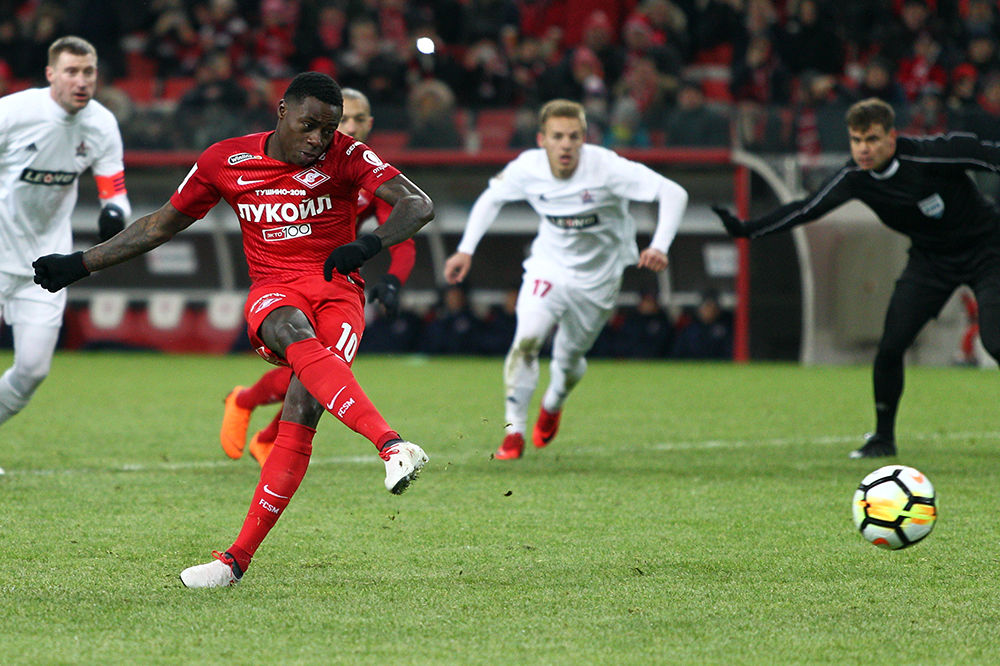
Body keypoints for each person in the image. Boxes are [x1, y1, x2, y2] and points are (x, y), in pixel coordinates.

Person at [33, 72, 434, 587]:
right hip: (276, 289)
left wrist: (367, 245)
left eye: (329, 129)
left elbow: (418, 204)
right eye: (310, 125)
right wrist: (81, 264)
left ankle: (233, 562)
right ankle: (392, 445)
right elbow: (160, 224)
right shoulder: (225, 160)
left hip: (339, 293)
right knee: (289, 328)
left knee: (302, 411)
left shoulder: (347, 154)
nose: (319, 139)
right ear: (282, 111)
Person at [712, 97, 1000, 459]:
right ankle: (882, 438)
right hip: (931, 261)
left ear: (892, 137)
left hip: (989, 251)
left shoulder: (932, 154)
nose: (864, 149)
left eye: (872, 139)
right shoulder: (854, 178)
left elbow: (990, 155)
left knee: (995, 342)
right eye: (856, 140)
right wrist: (748, 229)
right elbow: (806, 208)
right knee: (891, 347)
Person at [443, 99, 689, 460]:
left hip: (599, 279)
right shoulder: (527, 167)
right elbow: (490, 199)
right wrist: (465, 250)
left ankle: (554, 402)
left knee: (569, 358)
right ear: (542, 139)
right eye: (557, 136)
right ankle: (514, 432)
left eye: (574, 136)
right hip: (549, 267)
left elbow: (674, 192)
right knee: (526, 341)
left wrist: (660, 246)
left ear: (584, 139)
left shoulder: (606, 167)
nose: (566, 145)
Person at [219, 87, 417, 468]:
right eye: (344, 120)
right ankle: (247, 405)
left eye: (359, 119)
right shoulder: (300, 160)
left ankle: (266, 433)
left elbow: (403, 227)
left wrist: (393, 279)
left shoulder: (364, 169)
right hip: (289, 278)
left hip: (336, 282)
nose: (351, 127)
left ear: (370, 124)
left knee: (325, 367)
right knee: (320, 366)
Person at [0, 36, 131, 476]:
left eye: (88, 72)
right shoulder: (14, 113)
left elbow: (114, 189)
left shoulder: (101, 124)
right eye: (72, 71)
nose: (81, 81)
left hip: (43, 267)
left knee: (33, 369)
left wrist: (114, 215)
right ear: (51, 74)